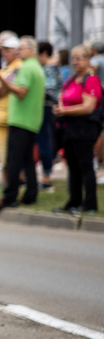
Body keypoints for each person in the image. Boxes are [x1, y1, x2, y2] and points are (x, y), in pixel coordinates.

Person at [0, 36, 44, 211]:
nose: (18, 51)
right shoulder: (35, 66)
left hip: (21, 120)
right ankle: (30, 194)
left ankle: (10, 196)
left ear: (31, 50)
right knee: (28, 160)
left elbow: (21, 92)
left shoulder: (27, 67)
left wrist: (1, 79)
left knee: (14, 160)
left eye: (21, 48)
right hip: (29, 119)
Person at [53, 45, 101, 216]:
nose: (75, 62)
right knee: (73, 167)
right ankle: (74, 201)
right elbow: (62, 97)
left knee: (85, 166)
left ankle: (90, 203)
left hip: (84, 129)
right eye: (74, 59)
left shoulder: (91, 79)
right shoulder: (71, 79)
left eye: (79, 59)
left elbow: (88, 107)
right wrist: (59, 108)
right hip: (69, 128)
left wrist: (65, 110)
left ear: (88, 60)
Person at [0, 33, 20, 171]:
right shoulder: (5, 68)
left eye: (7, 50)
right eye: (2, 49)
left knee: (8, 160)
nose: (3, 53)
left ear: (16, 51)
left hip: (6, 117)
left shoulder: (18, 67)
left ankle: (13, 184)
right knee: (2, 162)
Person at [36, 40, 60, 190]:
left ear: (44, 54)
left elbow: (49, 91)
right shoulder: (51, 68)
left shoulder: (49, 69)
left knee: (45, 141)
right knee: (44, 141)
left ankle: (46, 178)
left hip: (46, 108)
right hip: (46, 108)